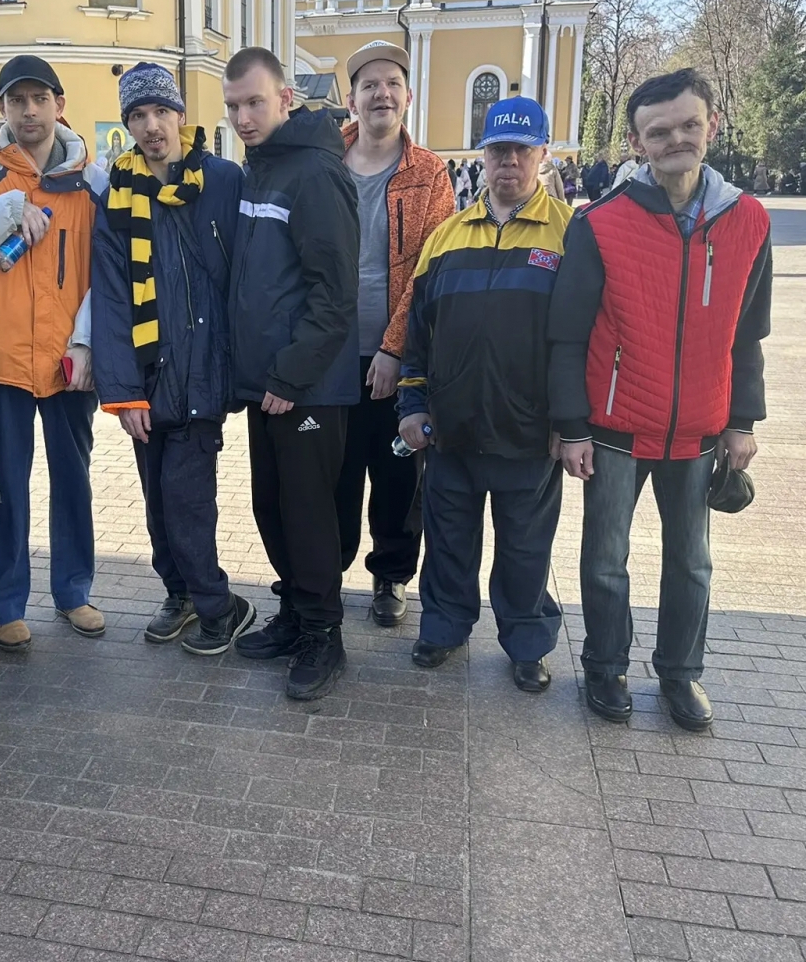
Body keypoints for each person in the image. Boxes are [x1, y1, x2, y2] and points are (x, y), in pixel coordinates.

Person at [549, 68, 772, 732]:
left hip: (699, 429)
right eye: (659, 131)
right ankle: (605, 666)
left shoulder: (748, 220)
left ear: (712, 125)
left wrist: (742, 420)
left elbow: (748, 332)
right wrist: (572, 426)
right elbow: (567, 334)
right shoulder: (600, 223)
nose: (676, 139)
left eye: (688, 125)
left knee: (692, 563)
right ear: (636, 142)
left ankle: (680, 673)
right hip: (615, 427)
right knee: (606, 560)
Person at [398, 97, 571, 689]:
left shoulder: (570, 234)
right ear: (484, 155)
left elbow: (584, 340)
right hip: (452, 431)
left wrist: (570, 423)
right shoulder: (446, 237)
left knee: (525, 550)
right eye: (499, 150)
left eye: (522, 150)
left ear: (542, 154)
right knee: (448, 543)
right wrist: (412, 404)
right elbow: (418, 334)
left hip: (530, 435)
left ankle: (527, 643)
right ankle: (443, 628)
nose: (509, 162)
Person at [0, 55, 102, 652]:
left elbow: (106, 274)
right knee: (6, 483)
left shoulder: (92, 180)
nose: (29, 111)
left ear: (59, 104)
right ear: (2, 107)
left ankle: (74, 591)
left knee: (73, 480)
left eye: (39, 99)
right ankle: (4, 603)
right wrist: (5, 211)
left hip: (69, 362)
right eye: (16, 100)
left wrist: (87, 341)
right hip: (3, 357)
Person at [92, 63, 254, 653]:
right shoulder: (118, 194)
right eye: (138, 115)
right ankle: (180, 593)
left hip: (205, 369)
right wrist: (123, 393)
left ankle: (218, 607)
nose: (151, 126)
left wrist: (246, 365)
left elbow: (248, 276)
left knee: (187, 501)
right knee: (157, 504)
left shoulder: (223, 179)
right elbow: (111, 296)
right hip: (149, 375)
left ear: (181, 116)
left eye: (161, 111)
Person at [221, 46, 360, 702]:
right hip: (267, 385)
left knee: (307, 513)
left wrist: (290, 375)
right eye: (233, 106)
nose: (243, 117)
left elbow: (334, 294)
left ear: (286, 99)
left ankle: (324, 634)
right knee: (271, 505)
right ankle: (297, 612)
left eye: (254, 102)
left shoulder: (315, 172)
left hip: (306, 386)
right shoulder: (263, 168)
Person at [336, 41, 453, 627]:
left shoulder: (429, 172)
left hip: (395, 358)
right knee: (333, 471)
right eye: (369, 85)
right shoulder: (325, 161)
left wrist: (393, 348)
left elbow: (431, 270)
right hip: (330, 353)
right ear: (351, 99)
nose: (381, 93)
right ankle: (325, 569)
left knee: (397, 471)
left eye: (392, 84)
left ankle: (391, 575)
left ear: (408, 96)